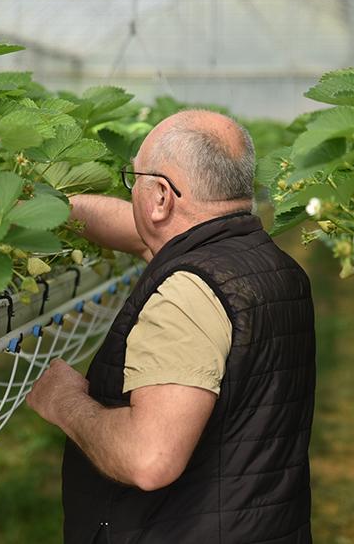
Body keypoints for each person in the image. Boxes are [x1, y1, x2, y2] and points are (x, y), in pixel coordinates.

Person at [26, 109, 316, 544]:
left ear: (161, 197)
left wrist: (65, 402)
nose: (132, 195)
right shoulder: (268, 264)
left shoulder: (188, 293)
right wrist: (50, 210)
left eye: (135, 181)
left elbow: (151, 458)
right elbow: (141, 231)